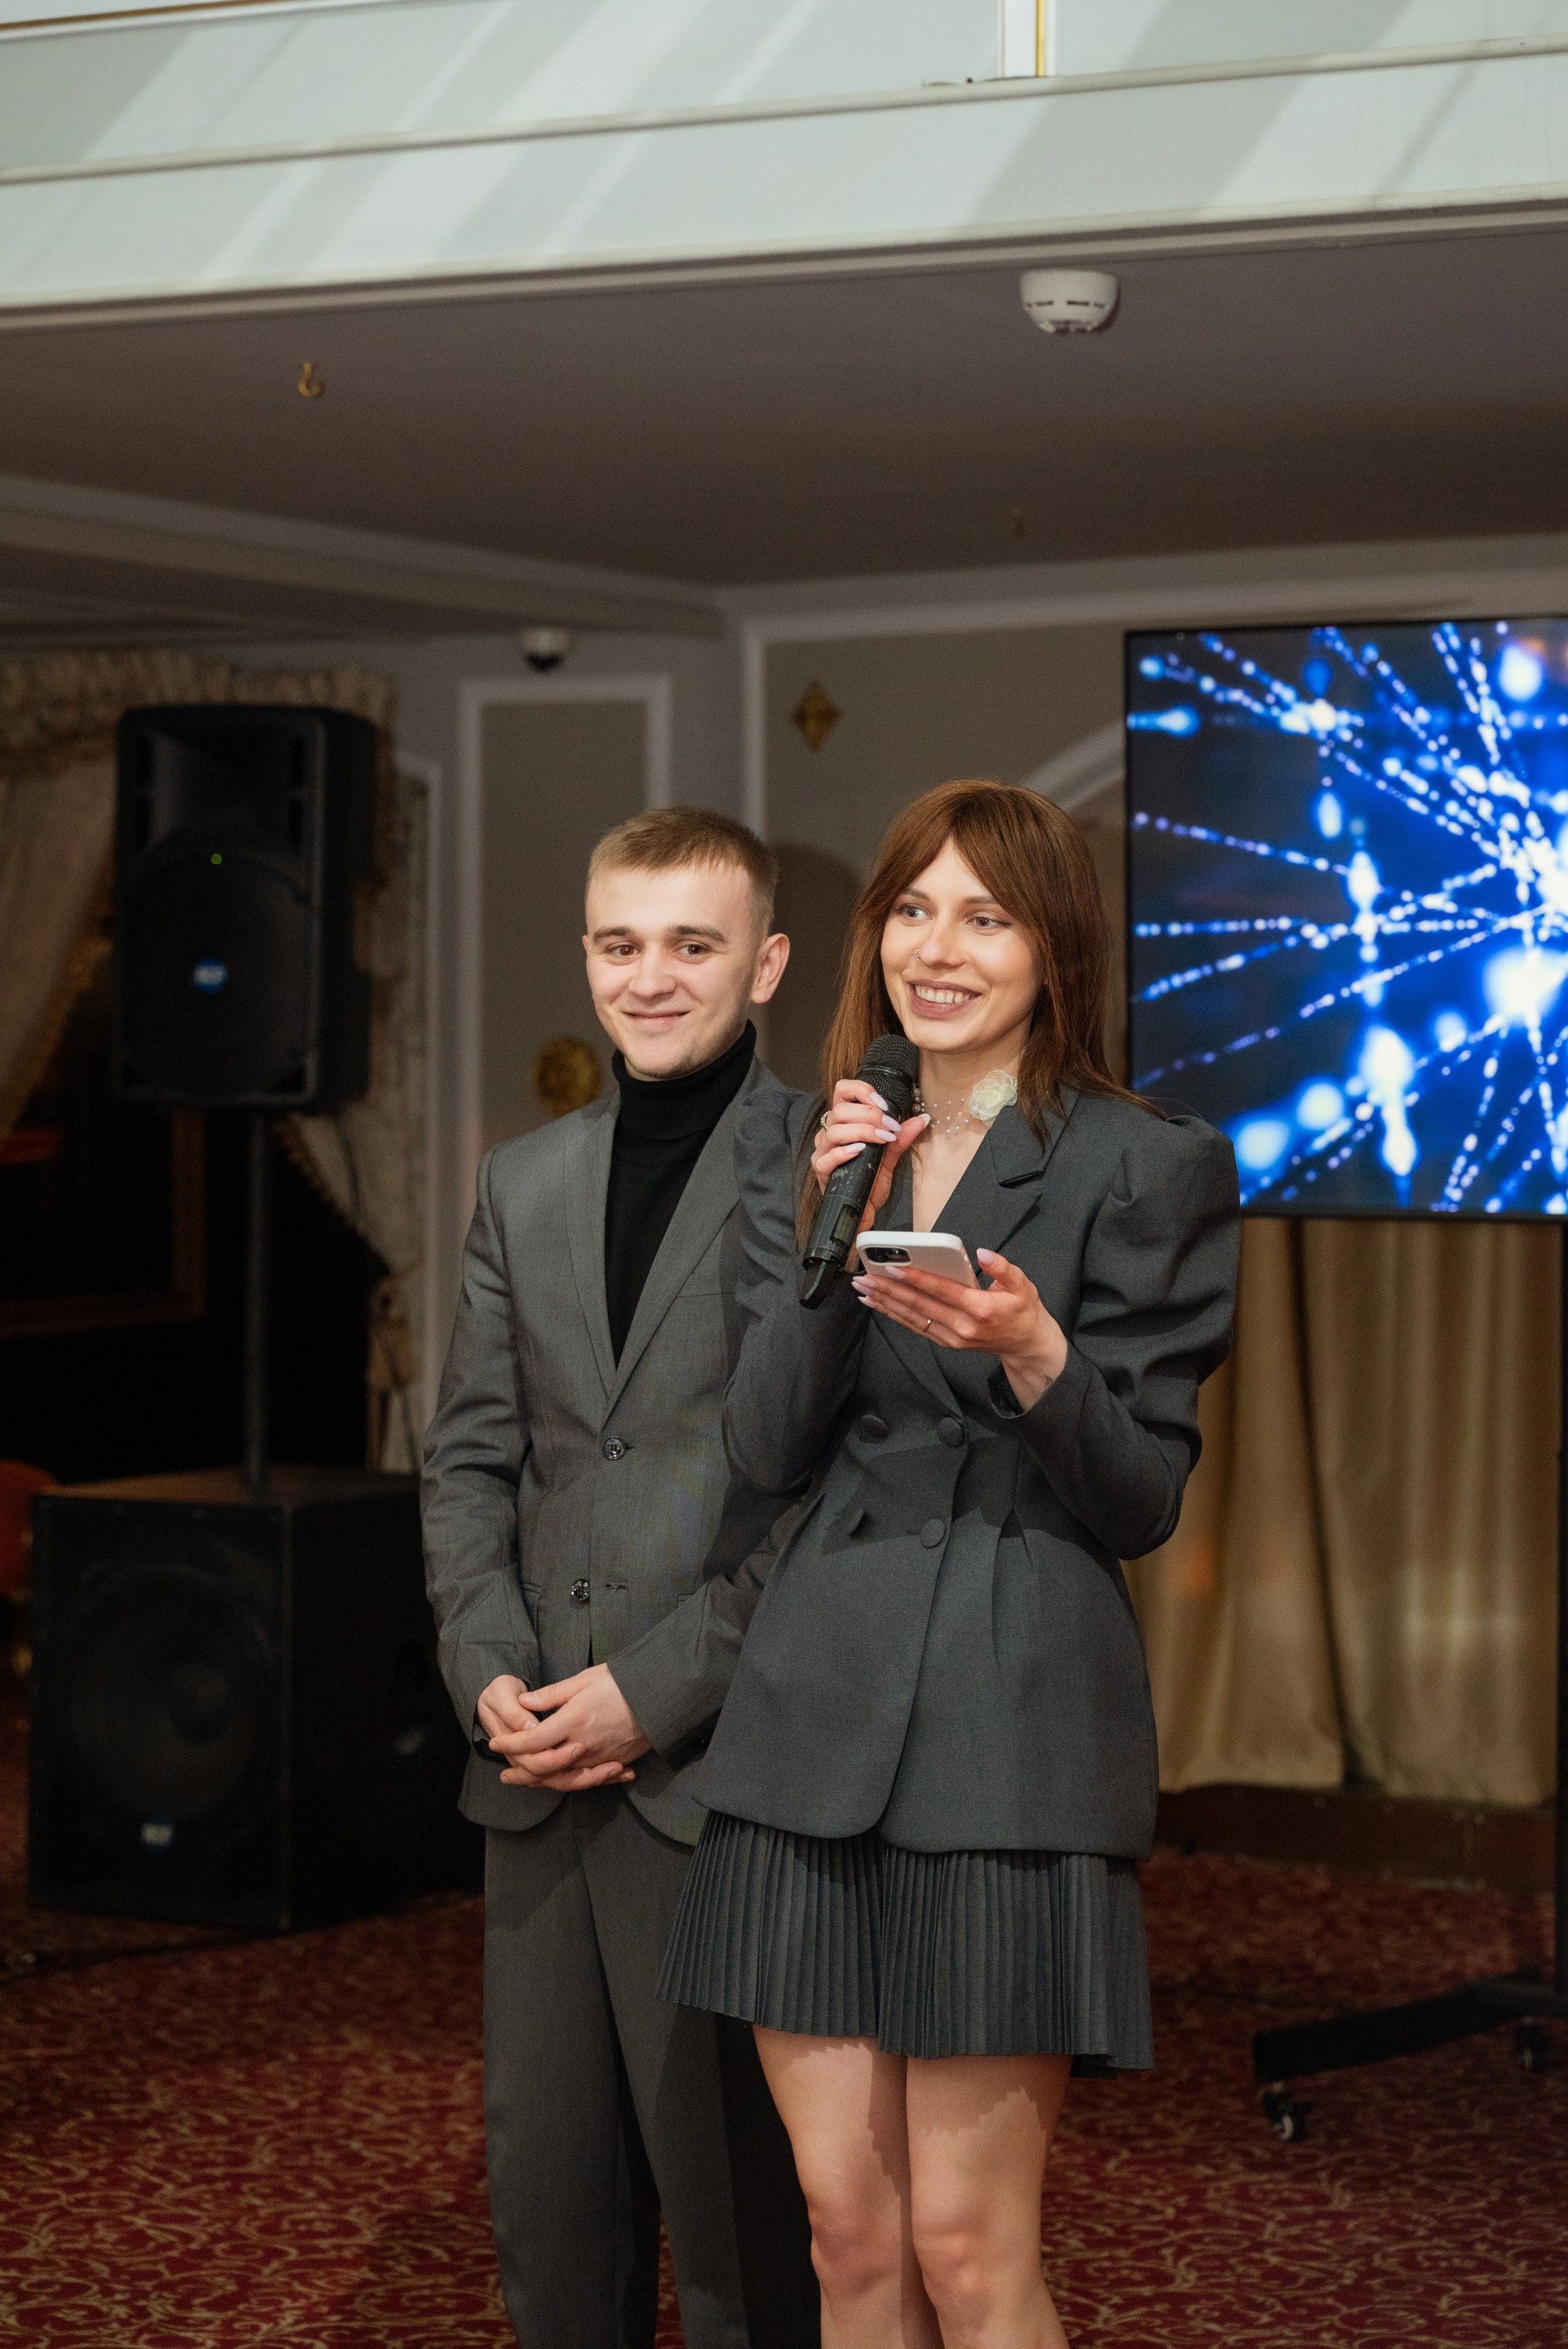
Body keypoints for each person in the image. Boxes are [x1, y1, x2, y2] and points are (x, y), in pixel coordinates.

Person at [662, 779, 1240, 2349]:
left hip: (1009, 1734)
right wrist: (823, 1229)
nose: (938, 946)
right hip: (808, 1727)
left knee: (968, 2243)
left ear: (1052, 947)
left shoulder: (1143, 1165)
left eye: (983, 915)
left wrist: (1040, 1350)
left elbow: (1138, 1500)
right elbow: (768, 1445)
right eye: (912, 908)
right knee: (848, 2232)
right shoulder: (823, 1140)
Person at [422, 806, 819, 2349]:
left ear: (766, 962)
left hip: (713, 1764)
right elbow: (467, 1459)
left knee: (735, 2226)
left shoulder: (830, 1164)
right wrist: (488, 1670)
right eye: (618, 943)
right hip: (527, 1761)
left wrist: (645, 1697)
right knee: (551, 2210)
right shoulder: (518, 1179)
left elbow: (825, 1493)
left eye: (692, 945)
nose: (649, 978)